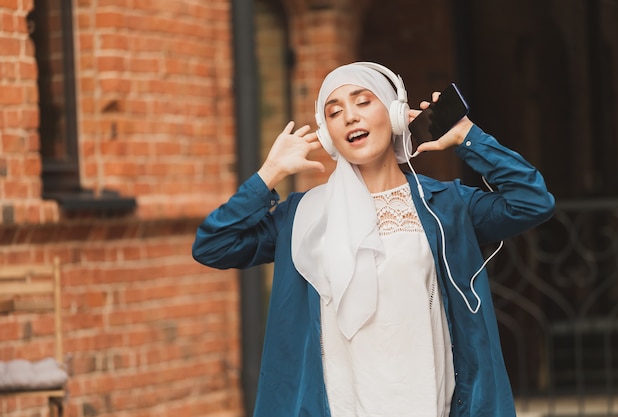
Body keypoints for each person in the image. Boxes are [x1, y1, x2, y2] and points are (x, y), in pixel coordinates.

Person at [192, 62, 555, 417]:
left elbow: (532, 202)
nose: (350, 116)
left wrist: (467, 138)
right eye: (335, 112)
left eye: (363, 101)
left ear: (395, 114)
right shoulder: (303, 216)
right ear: (328, 135)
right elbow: (214, 245)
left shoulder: (445, 206)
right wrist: (269, 174)